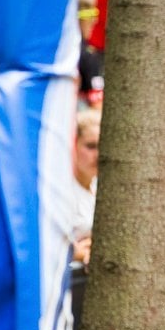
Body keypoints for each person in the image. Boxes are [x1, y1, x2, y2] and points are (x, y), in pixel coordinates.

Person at [72, 108, 102, 263]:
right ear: (73, 146)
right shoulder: (61, 191)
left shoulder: (100, 186)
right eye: (90, 146)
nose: (97, 155)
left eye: (101, 146)